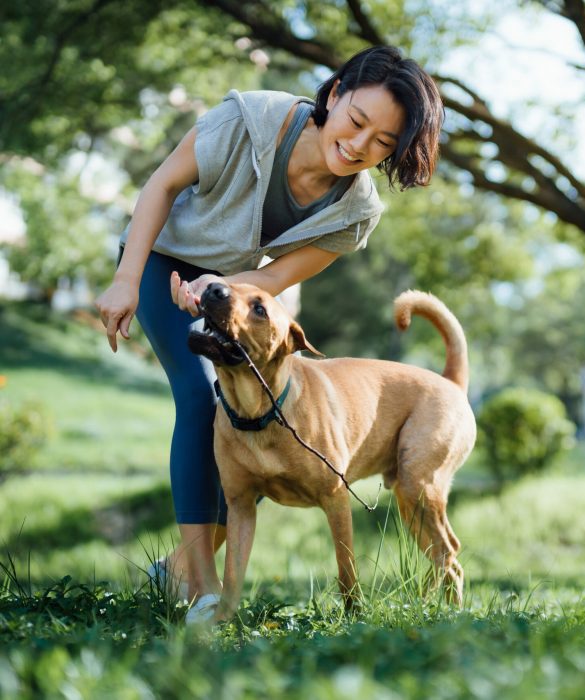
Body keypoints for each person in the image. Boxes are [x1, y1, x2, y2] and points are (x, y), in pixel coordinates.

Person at [95, 46, 444, 610]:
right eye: (357, 122)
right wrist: (126, 278)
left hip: (237, 289)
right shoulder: (248, 120)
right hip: (162, 258)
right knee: (201, 396)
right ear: (333, 95)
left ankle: (179, 569)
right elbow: (159, 186)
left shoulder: (357, 212)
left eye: (383, 143)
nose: (359, 147)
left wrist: (216, 292)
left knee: (251, 421)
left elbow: (276, 276)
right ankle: (201, 586)